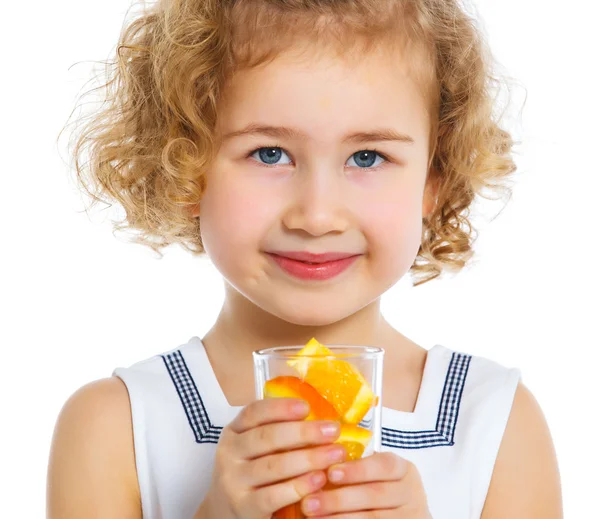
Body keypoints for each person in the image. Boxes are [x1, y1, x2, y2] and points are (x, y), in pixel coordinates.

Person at [47, 0, 563, 518]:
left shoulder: (495, 424)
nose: (317, 217)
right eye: (269, 153)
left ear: (434, 177)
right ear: (185, 163)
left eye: (368, 157)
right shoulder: (115, 428)